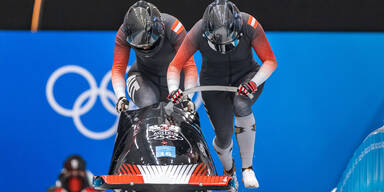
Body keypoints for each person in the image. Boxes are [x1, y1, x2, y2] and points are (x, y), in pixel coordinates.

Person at [167, 0, 277, 190]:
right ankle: (229, 170)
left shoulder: (250, 24)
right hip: (213, 85)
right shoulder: (198, 31)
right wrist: (173, 89)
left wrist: (253, 83)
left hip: (247, 76)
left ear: (238, 28)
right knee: (224, 139)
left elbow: (270, 61)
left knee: (241, 104)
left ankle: (247, 168)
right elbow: (175, 66)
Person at [112, 0, 197, 112]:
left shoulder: (174, 27)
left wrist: (188, 96)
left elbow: (189, 66)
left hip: (175, 78)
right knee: (149, 105)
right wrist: (121, 97)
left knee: (176, 114)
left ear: (160, 28)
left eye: (149, 41)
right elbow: (118, 69)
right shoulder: (123, 33)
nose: (145, 47)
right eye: (139, 44)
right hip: (143, 77)